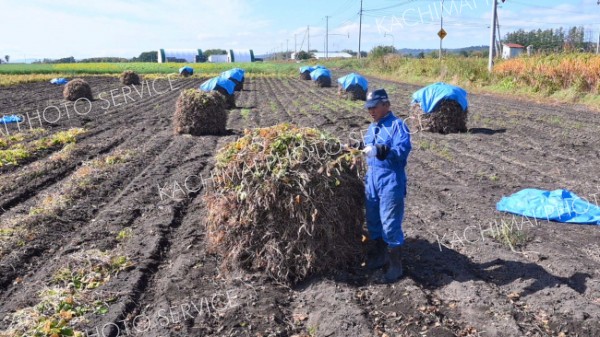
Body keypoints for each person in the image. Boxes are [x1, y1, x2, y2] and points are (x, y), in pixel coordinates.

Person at [362, 88, 412, 283]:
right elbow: (368, 150)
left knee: (390, 224)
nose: (371, 111)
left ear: (386, 105)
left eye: (374, 107)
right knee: (373, 221)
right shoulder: (371, 128)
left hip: (390, 181)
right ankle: (380, 256)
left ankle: (395, 266)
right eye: (369, 108)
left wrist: (382, 150)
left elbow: (401, 151)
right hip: (372, 180)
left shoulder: (398, 126)